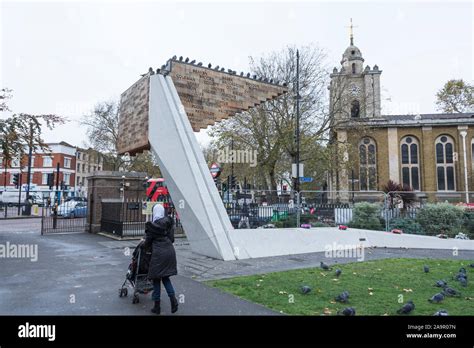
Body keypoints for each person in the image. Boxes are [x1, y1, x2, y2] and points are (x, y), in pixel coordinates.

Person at [144, 203, 178, 315]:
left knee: (156, 279)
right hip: (169, 251)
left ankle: (157, 307)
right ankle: (173, 300)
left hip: (158, 254)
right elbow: (172, 239)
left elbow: (147, 243)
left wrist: (145, 245)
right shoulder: (168, 223)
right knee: (166, 277)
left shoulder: (152, 226)